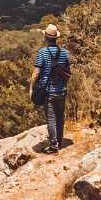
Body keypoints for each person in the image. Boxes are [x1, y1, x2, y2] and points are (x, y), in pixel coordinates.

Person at [30, 23, 72, 154]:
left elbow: (36, 73)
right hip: (62, 90)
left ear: (46, 38)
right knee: (60, 117)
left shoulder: (42, 53)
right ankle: (59, 141)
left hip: (49, 91)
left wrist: (31, 88)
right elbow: (67, 72)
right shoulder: (65, 53)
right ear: (56, 38)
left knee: (51, 119)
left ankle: (54, 146)